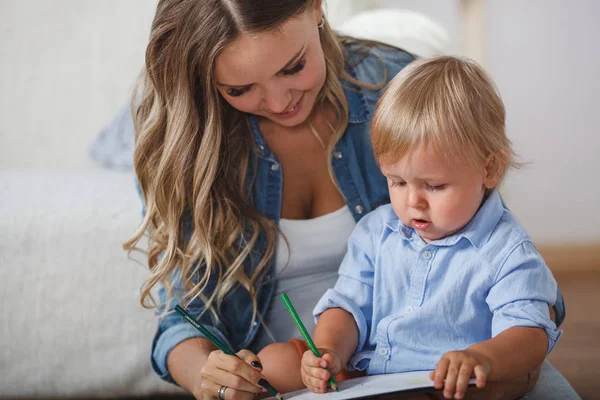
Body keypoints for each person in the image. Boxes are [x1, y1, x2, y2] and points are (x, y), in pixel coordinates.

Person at [123, 1, 577, 399]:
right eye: (240, 89)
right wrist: (208, 373)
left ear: (316, 8)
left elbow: (503, 266)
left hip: (433, 359)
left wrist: (499, 359)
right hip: (310, 366)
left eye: (293, 66)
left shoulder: (400, 90)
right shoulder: (189, 142)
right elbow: (184, 315)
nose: (280, 101)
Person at [299, 56, 562, 400]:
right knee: (277, 361)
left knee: (501, 384)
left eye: (434, 186)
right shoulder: (375, 233)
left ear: (489, 169)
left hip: (449, 385)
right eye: (397, 181)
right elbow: (348, 307)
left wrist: (482, 358)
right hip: (370, 371)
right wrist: (328, 350)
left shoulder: (506, 250)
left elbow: (529, 333)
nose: (413, 202)